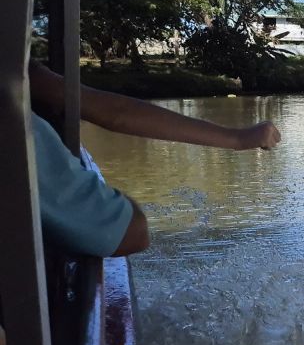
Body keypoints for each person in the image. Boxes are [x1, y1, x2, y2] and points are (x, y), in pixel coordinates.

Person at [26, 60, 280, 258]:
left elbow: (112, 111)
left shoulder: (15, 71)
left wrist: (237, 139)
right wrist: (237, 139)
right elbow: (131, 233)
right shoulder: (16, 127)